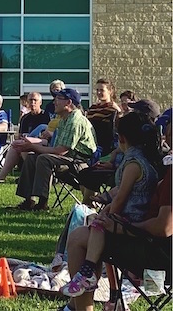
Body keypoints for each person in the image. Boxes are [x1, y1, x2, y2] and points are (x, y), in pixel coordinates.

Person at [60, 112, 162, 302]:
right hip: (133, 219)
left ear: (121, 138)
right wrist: (106, 198)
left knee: (97, 226)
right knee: (95, 223)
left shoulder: (133, 164)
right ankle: (110, 291)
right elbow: (120, 189)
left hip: (132, 221)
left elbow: (122, 197)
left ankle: (87, 271)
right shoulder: (142, 160)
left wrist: (108, 214)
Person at [13, 88, 97, 211]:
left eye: (58, 99)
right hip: (66, 158)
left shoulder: (75, 121)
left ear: (68, 103)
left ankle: (42, 203)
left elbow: (60, 151)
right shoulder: (64, 119)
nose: (54, 102)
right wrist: (30, 146)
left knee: (43, 159)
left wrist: (32, 146)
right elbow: (56, 149)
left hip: (79, 162)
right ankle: (29, 200)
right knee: (31, 157)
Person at [0, 92, 51, 183]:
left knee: (24, 148)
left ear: (40, 102)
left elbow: (49, 136)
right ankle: (1, 176)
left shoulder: (46, 117)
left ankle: (28, 176)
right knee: (15, 146)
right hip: (27, 143)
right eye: (30, 100)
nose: (32, 103)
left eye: (35, 100)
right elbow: (19, 135)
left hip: (43, 145)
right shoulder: (25, 118)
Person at [85, 78, 121, 156]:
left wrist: (118, 111)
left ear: (110, 91)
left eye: (102, 90)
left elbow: (119, 126)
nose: (98, 92)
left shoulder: (114, 109)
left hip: (106, 147)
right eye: (97, 90)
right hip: (91, 145)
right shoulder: (92, 108)